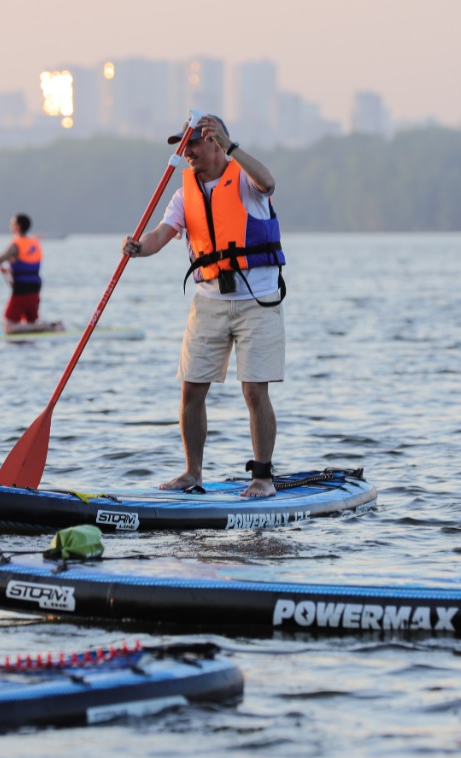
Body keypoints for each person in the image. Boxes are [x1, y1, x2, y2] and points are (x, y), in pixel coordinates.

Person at [122, 115, 286, 498]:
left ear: (215, 143)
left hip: (257, 302)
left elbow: (269, 182)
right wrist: (137, 248)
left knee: (254, 392)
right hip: (209, 302)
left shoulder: (245, 179)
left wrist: (232, 146)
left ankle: (262, 477)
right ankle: (192, 473)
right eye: (184, 145)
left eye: (194, 143)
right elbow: (161, 235)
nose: (187, 151)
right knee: (191, 390)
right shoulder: (184, 195)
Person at [0, 213, 64, 334]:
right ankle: (41, 326)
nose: (10, 226)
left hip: (21, 292)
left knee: (8, 328)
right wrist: (9, 271)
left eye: (12, 223)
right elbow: (27, 265)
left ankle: (49, 326)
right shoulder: (35, 243)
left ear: (17, 226)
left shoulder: (15, 245)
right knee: (30, 323)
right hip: (35, 290)